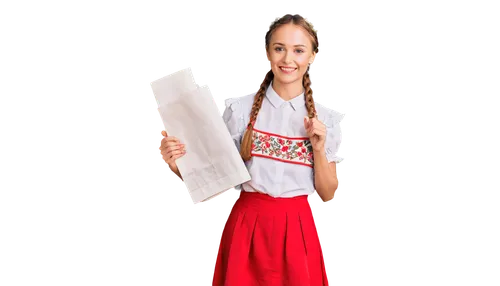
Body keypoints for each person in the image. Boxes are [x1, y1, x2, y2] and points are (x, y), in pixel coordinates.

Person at [159, 12, 344, 286]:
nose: (288, 59)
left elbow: (328, 194)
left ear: (313, 56)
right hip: (247, 227)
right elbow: (216, 177)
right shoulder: (240, 109)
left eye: (298, 50)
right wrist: (177, 165)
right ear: (267, 53)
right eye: (279, 48)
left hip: (298, 228)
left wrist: (317, 148)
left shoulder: (326, 118)